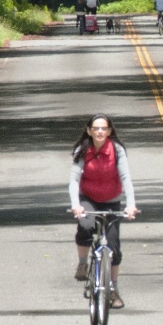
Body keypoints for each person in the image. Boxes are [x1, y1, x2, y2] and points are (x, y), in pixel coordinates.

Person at [69, 114, 138, 309]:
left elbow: (126, 178)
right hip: (88, 199)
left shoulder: (117, 150)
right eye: (96, 128)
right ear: (89, 131)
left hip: (111, 201)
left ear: (109, 131)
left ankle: (113, 289)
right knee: (85, 225)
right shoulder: (82, 150)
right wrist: (76, 204)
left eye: (104, 128)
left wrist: (130, 205)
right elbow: (74, 180)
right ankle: (83, 263)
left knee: (114, 249)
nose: (100, 132)